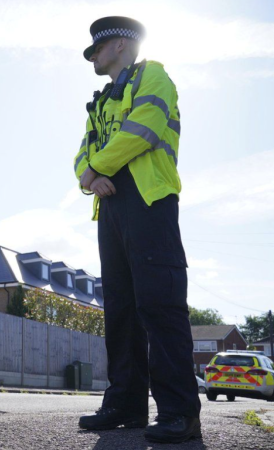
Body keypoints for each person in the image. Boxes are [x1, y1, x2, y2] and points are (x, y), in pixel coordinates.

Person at [73, 17, 201, 443]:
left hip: (149, 201)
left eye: (98, 48)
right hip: (110, 207)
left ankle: (179, 412)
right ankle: (125, 405)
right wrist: (89, 175)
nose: (93, 55)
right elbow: (80, 155)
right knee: (122, 311)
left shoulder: (154, 75)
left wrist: (96, 169)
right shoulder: (100, 102)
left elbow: (144, 126)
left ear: (122, 45)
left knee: (159, 305)